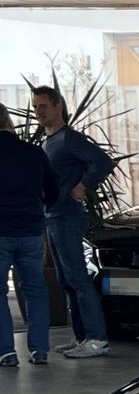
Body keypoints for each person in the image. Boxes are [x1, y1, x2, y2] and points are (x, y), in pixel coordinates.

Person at [32, 85, 113, 359]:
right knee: (65, 279)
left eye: (43, 106)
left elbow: (102, 162)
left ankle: (96, 338)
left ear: (58, 106)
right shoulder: (47, 142)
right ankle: (81, 336)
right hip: (51, 216)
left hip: (67, 215)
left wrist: (84, 185)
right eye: (34, 107)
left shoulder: (69, 139)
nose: (37, 112)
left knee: (78, 277)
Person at [0, 102, 58, 367]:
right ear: (9, 122)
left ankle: (6, 352)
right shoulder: (35, 153)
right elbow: (53, 190)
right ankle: (39, 350)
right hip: (32, 231)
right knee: (35, 289)